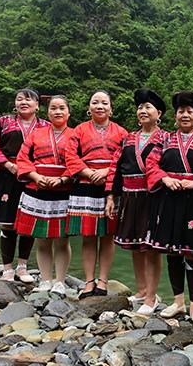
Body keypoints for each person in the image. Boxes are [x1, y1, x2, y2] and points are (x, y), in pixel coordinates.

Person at [146, 91, 193, 325]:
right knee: (172, 251)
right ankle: (178, 301)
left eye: (189, 112)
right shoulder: (163, 140)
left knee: (192, 252)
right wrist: (164, 179)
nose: (185, 115)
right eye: (181, 112)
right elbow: (151, 164)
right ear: (174, 116)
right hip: (169, 197)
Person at [105, 88, 166, 314]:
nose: (143, 111)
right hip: (130, 196)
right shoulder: (128, 139)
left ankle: (152, 296)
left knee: (151, 247)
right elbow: (115, 168)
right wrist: (111, 195)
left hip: (153, 197)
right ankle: (141, 290)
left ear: (159, 113)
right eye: (140, 107)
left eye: (148, 107)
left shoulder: (166, 138)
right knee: (135, 245)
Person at [65, 90, 128, 298]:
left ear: (111, 108)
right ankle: (89, 282)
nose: (100, 106)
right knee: (89, 236)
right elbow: (70, 155)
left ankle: (103, 281)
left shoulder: (122, 132)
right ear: (88, 107)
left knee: (108, 235)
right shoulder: (79, 130)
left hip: (112, 187)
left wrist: (108, 172)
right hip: (85, 185)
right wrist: (89, 172)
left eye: (104, 103)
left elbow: (125, 160)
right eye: (95, 102)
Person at [0, 88, 48, 282]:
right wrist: (8, 164)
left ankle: (23, 267)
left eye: (29, 100)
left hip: (34, 176)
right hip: (8, 173)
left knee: (29, 223)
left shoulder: (45, 125)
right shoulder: (4, 122)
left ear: (37, 105)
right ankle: (7, 269)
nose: (24, 102)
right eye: (20, 99)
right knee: (8, 223)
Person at [15, 95, 75, 296]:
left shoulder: (76, 135)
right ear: (47, 112)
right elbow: (23, 157)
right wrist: (34, 175)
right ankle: (46, 279)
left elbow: (78, 162)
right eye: (53, 108)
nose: (57, 112)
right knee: (42, 238)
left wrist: (64, 179)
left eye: (62, 108)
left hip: (64, 191)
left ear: (68, 112)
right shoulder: (36, 134)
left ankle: (60, 280)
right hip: (37, 188)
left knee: (62, 239)